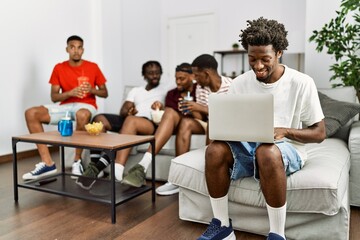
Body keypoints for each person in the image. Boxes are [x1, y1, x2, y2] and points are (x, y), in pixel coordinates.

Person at [197, 17, 326, 240]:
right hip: (248, 147)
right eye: (252, 59)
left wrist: (284, 131)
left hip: (285, 149)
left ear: (279, 53)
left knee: (266, 150)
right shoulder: (240, 83)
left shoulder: (302, 82)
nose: (258, 66)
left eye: (265, 59)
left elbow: (319, 133)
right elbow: (231, 122)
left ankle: (277, 234)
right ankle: (222, 226)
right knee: (214, 149)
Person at [23, 35, 108, 181]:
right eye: (72, 47)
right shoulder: (59, 68)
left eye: (79, 47)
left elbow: (104, 93)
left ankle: (77, 162)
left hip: (86, 105)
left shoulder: (92, 67)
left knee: (82, 114)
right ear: (67, 49)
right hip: (66, 106)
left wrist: (92, 90)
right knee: (31, 113)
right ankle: (47, 163)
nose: (76, 50)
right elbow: (54, 97)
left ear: (83, 50)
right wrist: (70, 93)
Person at [150, 54, 233, 195]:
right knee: (186, 122)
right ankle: (177, 178)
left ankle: (209, 173)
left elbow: (230, 114)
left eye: (197, 75)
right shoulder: (201, 88)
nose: (194, 79)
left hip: (224, 123)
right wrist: (192, 109)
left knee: (214, 121)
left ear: (206, 74)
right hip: (207, 121)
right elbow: (201, 117)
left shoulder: (231, 86)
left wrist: (200, 107)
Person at [76, 60, 167, 189]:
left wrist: (160, 107)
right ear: (144, 75)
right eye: (151, 73)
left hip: (149, 122)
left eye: (157, 73)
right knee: (98, 119)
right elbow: (123, 111)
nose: (154, 76)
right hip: (130, 119)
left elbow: (169, 107)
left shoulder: (165, 90)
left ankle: (110, 171)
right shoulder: (136, 90)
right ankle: (96, 166)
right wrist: (129, 110)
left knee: (131, 120)